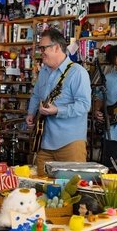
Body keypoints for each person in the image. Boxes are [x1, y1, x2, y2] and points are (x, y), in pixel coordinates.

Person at [26, 28, 91, 176]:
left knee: (72, 189)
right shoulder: (44, 71)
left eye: (43, 48)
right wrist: (31, 112)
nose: (40, 52)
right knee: (41, 187)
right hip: (44, 142)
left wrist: (57, 110)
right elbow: (36, 95)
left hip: (70, 143)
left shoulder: (78, 72)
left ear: (56, 47)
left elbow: (84, 105)